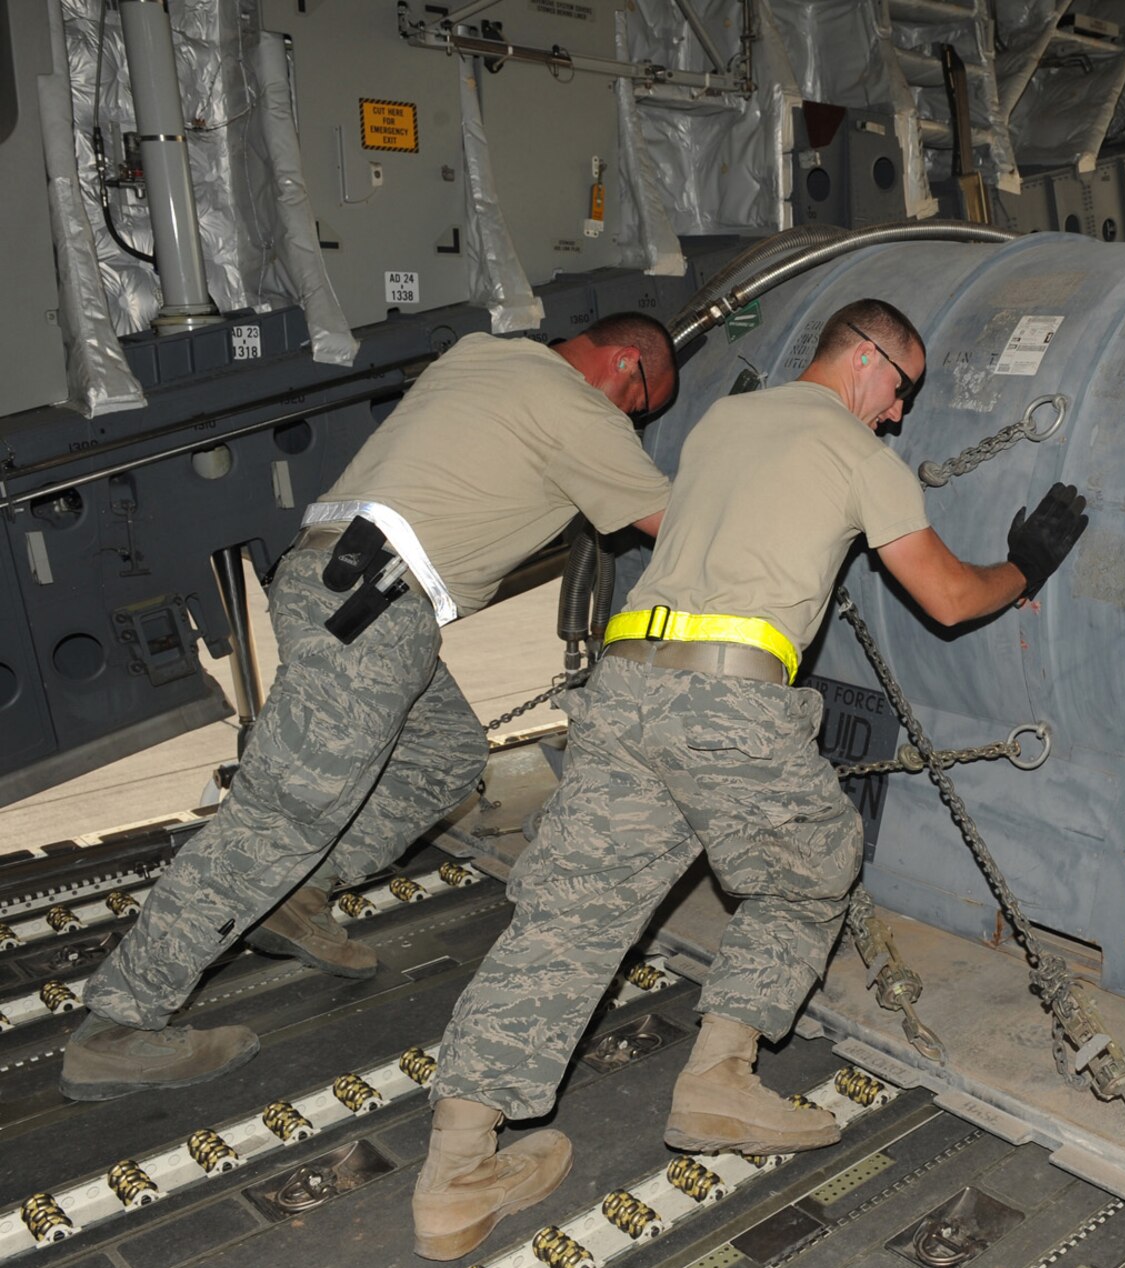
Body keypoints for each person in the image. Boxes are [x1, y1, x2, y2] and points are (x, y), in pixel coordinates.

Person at [409, 297, 1090, 1261]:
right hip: (729, 700)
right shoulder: (863, 456)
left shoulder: (726, 421)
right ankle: (720, 1078)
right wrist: (1021, 568)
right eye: (901, 390)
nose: (900, 414)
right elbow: (944, 597)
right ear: (864, 362)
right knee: (812, 864)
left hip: (628, 686)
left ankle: (457, 1168)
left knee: (570, 914)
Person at [61, 314, 679, 1102]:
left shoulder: (483, 354)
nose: (629, 422)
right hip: (373, 610)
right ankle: (119, 1022)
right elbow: (673, 522)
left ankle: (296, 894)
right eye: (639, 405)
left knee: (443, 755)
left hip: (344, 583)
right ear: (627, 363)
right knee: (280, 814)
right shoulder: (579, 409)